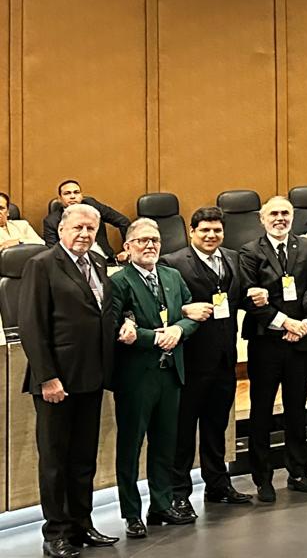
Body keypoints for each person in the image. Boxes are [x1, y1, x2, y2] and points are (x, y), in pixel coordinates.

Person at [19, 203, 127, 558]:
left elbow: (101, 312)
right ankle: (55, 534)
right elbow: (32, 327)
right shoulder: (41, 264)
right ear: (62, 229)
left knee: (84, 458)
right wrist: (47, 377)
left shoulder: (98, 263)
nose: (84, 234)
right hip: (57, 382)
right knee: (54, 461)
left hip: (92, 376)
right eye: (78, 227)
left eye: (90, 230)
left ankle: (81, 524)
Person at [108, 219, 199, 539]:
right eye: (142, 240)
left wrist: (178, 330)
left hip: (171, 373)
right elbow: (118, 329)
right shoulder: (119, 282)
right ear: (128, 247)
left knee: (165, 444)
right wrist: (153, 337)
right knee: (130, 446)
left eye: (155, 241)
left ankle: (160, 504)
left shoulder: (172, 276)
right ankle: (131, 513)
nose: (150, 246)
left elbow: (191, 316)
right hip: (137, 377)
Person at [160, 207, 252, 515]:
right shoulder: (172, 263)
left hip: (226, 358)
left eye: (217, 230)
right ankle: (179, 493)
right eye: (205, 231)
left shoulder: (233, 258)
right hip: (190, 361)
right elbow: (161, 307)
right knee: (183, 431)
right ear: (192, 232)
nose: (211, 236)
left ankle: (218, 485)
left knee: (217, 427)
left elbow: (238, 298)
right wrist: (184, 311)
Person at [238, 195, 307, 500]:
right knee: (261, 411)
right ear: (262, 219)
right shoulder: (250, 251)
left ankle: (298, 472)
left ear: (293, 217)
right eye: (273, 213)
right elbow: (250, 299)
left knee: (296, 409)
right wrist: (285, 323)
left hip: (301, 341)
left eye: (285, 213)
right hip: (266, 342)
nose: (280, 218)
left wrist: (305, 325)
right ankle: (262, 479)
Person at [41, 179, 131, 261]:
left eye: (76, 192)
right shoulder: (51, 221)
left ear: (81, 196)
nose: (72, 196)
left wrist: (129, 250)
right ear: (59, 199)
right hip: (73, 264)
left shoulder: (93, 206)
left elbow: (123, 222)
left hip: (106, 261)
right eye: (67, 193)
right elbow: (52, 251)